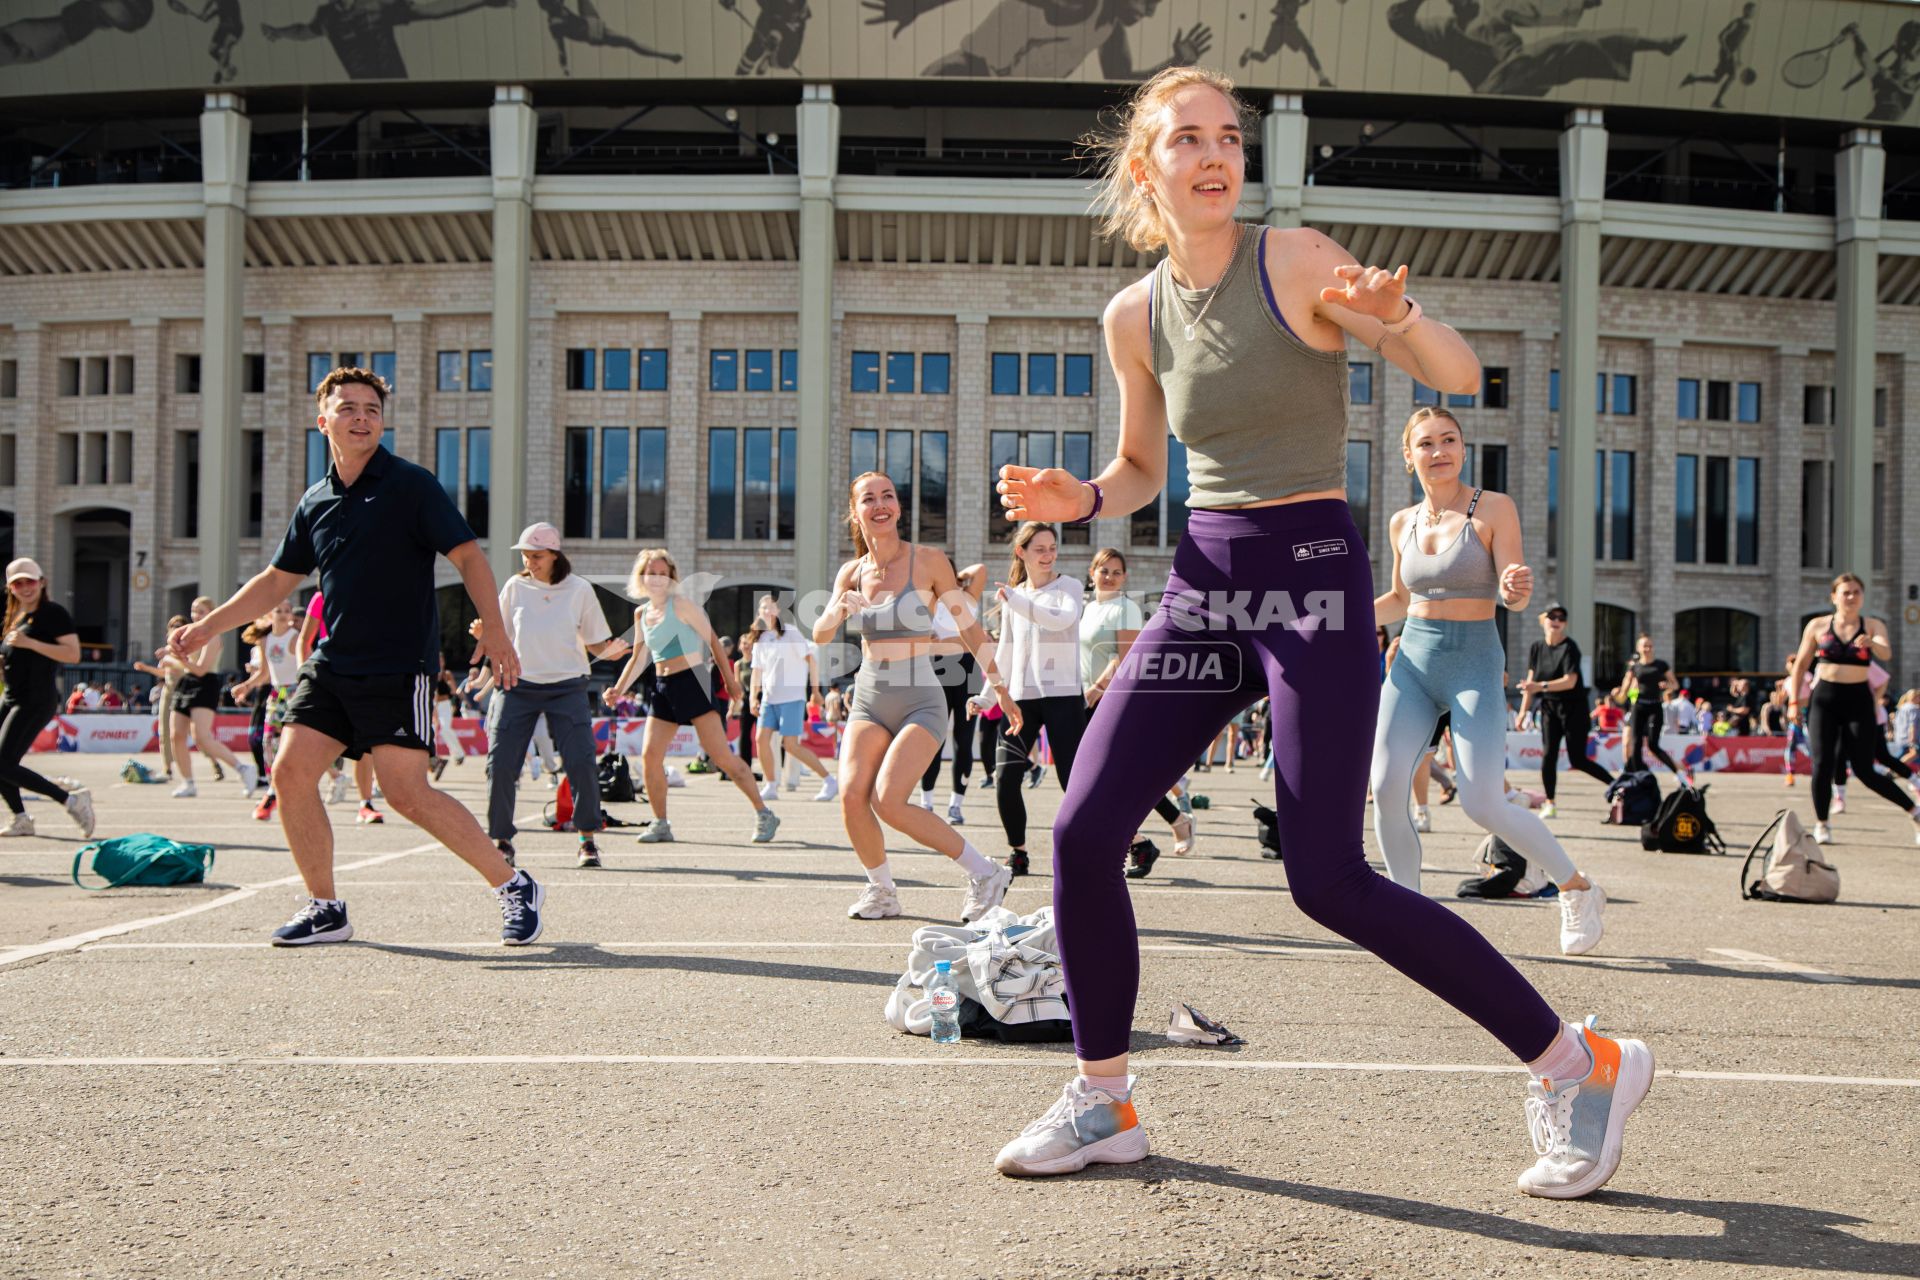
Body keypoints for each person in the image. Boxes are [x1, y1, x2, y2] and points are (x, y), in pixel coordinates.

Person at [988, 67, 1649, 1195]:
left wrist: (1401, 319)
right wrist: (1081, 499)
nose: (1213, 156)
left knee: (1326, 875)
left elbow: (1456, 372)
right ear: (1145, 167)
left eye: (1229, 139)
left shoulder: (1292, 258)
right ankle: (1105, 1094)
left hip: (1309, 581)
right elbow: (1146, 465)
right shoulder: (1131, 314)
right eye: (1187, 140)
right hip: (1205, 582)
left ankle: (1579, 1063)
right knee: (1083, 830)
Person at [166, 366, 543, 947]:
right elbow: (274, 582)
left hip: (398, 666)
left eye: (371, 408)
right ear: (324, 422)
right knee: (290, 773)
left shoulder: (411, 485)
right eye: (347, 408)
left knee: (407, 794)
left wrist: (495, 633)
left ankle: (514, 884)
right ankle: (325, 908)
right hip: (332, 664)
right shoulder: (315, 500)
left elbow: (469, 556)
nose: (361, 416)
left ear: (382, 420)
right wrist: (205, 628)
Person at [1371, 407, 1605, 956]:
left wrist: (1515, 585)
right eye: (1426, 443)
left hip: (1474, 663)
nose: (1439, 451)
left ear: (1464, 448)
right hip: (1413, 662)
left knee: (1482, 802)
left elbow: (1512, 592)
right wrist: (1334, 617)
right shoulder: (1402, 522)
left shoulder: (1493, 508)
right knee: (1384, 786)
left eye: (1449, 440)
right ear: (1409, 455)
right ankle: (1408, 917)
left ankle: (1576, 888)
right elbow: (1400, 600)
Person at [816, 471, 1022, 922]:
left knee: (889, 800)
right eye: (868, 498)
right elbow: (820, 632)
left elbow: (968, 626)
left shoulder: (928, 561)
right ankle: (882, 891)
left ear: (899, 507)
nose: (880, 504)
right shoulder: (850, 572)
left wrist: (999, 689)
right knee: (852, 796)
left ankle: (986, 872)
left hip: (919, 697)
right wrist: (837, 608)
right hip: (870, 695)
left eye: (888, 495)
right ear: (856, 512)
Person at [602, 549, 779, 845]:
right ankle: (660, 823)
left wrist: (731, 682)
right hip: (662, 687)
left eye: (662, 573)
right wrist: (618, 689)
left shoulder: (682, 605)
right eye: (650, 573)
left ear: (671, 577)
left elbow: (712, 640)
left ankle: (764, 813)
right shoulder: (641, 613)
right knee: (650, 757)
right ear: (641, 577)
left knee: (721, 756)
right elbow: (639, 657)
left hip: (692, 682)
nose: (656, 578)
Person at [486, 523, 630, 869]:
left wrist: (608, 652)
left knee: (581, 761)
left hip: (568, 685)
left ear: (554, 555)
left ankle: (587, 839)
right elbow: (500, 635)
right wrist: (483, 645)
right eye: (525, 555)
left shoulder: (578, 589)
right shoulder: (515, 587)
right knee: (501, 763)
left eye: (536, 556)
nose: (529, 561)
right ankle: (501, 840)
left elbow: (595, 640)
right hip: (517, 685)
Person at [1786, 572, 1920, 846]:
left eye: (1856, 592)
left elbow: (1886, 653)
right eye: (1845, 592)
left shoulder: (1871, 625)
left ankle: (1915, 812)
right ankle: (1822, 823)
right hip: (1824, 698)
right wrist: (1792, 703)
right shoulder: (1818, 625)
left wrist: (1872, 643)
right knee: (1822, 764)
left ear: (1862, 597)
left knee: (1865, 769)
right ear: (1834, 596)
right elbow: (1801, 665)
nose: (1851, 597)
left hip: (1858, 699)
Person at [1079, 547, 1195, 859]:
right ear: (1092, 573)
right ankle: (1169, 823)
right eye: (1104, 571)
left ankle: (1166, 826)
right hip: (1085, 700)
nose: (1110, 577)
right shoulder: (1088, 608)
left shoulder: (1125, 607)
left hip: (1112, 701)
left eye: (1117, 572)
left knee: (1120, 775)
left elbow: (1123, 657)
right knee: (1112, 777)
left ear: (1125, 577)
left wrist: (1095, 689)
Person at [988, 522, 1088, 878]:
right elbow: (1006, 649)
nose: (1048, 555)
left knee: (1073, 782)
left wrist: (1018, 601)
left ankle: (1129, 841)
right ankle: (1018, 852)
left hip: (1063, 697)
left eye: (1052, 548)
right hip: (1020, 700)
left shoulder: (1069, 587)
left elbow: (1062, 620)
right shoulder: (1016, 594)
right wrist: (986, 694)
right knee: (1006, 778)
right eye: (1039, 549)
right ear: (1022, 552)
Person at [0, 558, 96, 838]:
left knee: (2, 763)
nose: (25, 587)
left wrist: (30, 643)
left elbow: (73, 654)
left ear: (41, 582)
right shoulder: (16, 616)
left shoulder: (53, 613)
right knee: (5, 765)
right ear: (11, 588)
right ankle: (21, 818)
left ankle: (70, 800)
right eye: (18, 583)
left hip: (35, 699)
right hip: (12, 696)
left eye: (30, 581)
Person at [1516, 604, 1614, 818]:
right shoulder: (1537, 647)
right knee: (1548, 755)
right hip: (1549, 707)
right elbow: (1529, 683)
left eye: (1561, 617)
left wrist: (1541, 687)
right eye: (1552, 616)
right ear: (1544, 619)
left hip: (1574, 709)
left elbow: (1570, 681)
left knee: (1577, 759)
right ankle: (1550, 803)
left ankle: (1616, 786)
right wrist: (1523, 712)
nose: (1557, 620)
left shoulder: (1570, 648)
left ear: (1565, 623)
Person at [915, 564, 987, 821]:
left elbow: (980, 569)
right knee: (933, 739)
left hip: (968, 674)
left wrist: (954, 579)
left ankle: (956, 804)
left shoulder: (967, 597)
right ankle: (927, 801)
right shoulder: (928, 602)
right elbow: (922, 643)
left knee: (964, 739)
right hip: (938, 672)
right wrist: (961, 640)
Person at [168, 594, 258, 799]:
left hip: (205, 682)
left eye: (201, 611)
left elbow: (201, 669)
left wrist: (179, 658)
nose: (196, 615)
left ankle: (243, 768)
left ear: (210, 613)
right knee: (176, 735)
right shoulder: (187, 634)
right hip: (186, 681)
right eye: (194, 610)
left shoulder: (213, 636)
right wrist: (171, 658)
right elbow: (187, 666)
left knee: (201, 736)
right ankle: (188, 782)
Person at [748, 594, 835, 803]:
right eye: (763, 608)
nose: (767, 611)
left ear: (778, 612)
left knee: (791, 746)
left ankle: (829, 780)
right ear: (759, 613)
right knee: (761, 739)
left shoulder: (791, 633)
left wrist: (815, 691)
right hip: (769, 699)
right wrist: (753, 697)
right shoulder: (760, 638)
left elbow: (811, 662)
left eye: (771, 608)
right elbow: (756, 672)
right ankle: (771, 784)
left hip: (792, 698)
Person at [1611, 634, 1687, 781]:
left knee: (1653, 745)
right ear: (1638, 648)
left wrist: (1667, 686)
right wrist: (1618, 695)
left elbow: (1675, 684)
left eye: (1649, 646)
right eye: (1644, 646)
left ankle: (1680, 774)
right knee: (1635, 743)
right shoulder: (1634, 667)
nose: (1647, 649)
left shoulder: (1661, 665)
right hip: (1638, 706)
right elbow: (1624, 689)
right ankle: (1637, 775)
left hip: (1655, 706)